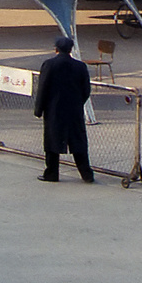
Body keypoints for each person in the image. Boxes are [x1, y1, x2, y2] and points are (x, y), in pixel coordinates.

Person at [33, 35, 94, 183]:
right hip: (74, 110)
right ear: (70, 50)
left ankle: (52, 173)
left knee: (52, 141)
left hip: (54, 110)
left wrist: (39, 109)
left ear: (56, 49)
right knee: (78, 141)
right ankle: (86, 174)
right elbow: (86, 89)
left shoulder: (49, 65)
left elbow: (43, 89)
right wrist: (79, 102)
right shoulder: (80, 66)